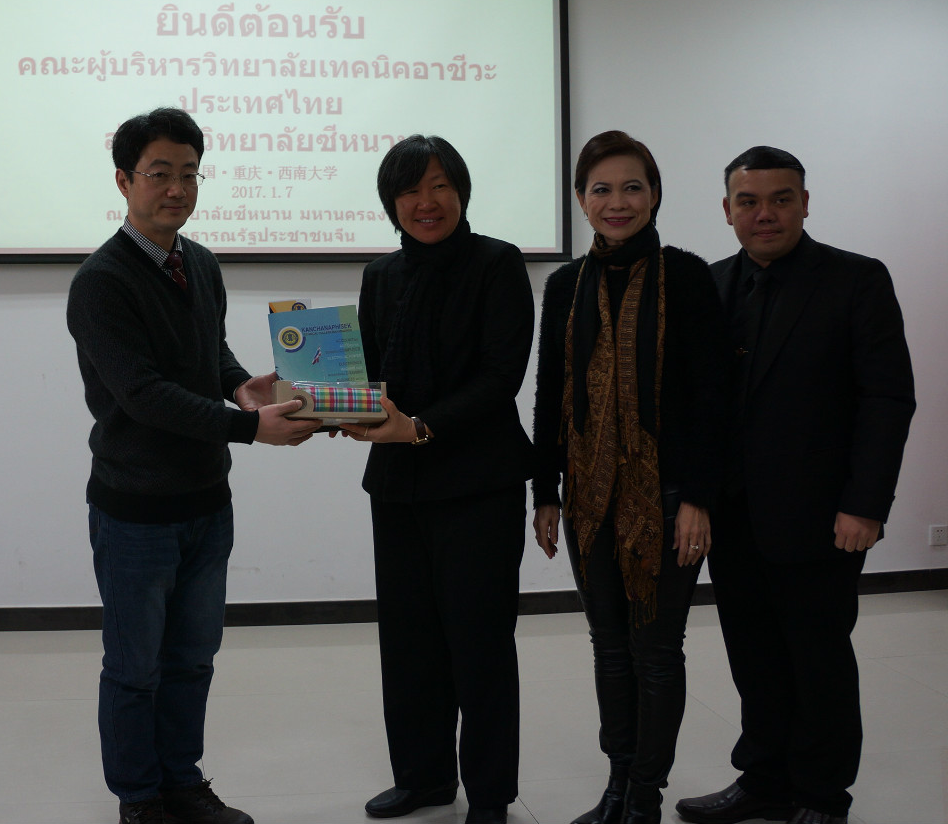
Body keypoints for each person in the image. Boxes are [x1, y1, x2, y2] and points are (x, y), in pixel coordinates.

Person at [67, 107, 318, 824]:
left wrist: (242, 386)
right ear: (124, 181)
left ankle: (182, 780)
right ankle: (140, 797)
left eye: (188, 174)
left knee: (192, 660)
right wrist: (249, 427)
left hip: (208, 502)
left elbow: (211, 350)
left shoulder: (200, 262)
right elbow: (143, 394)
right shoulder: (101, 281)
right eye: (159, 174)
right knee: (134, 667)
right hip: (135, 510)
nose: (176, 188)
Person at [676, 147, 914, 824]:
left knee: (817, 658)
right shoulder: (710, 284)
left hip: (822, 516)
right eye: (748, 201)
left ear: (805, 204)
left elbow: (887, 400)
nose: (765, 214)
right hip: (734, 516)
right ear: (727, 211)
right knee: (753, 656)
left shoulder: (857, 280)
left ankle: (820, 793)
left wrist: (865, 504)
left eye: (781, 199)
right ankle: (764, 780)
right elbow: (697, 404)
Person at [531, 130, 730, 824]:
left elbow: (713, 397)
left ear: (654, 195)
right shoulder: (564, 286)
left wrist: (698, 497)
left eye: (632, 187)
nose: (617, 202)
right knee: (609, 648)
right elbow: (550, 394)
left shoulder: (688, 276)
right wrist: (545, 492)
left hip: (669, 498)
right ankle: (616, 784)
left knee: (657, 651)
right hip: (588, 498)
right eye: (601, 189)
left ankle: (645, 795)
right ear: (581, 199)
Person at [338, 135, 536, 824]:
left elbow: (500, 376)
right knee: (409, 640)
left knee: (480, 643)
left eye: (440, 185)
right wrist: (324, 399)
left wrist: (420, 426)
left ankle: (490, 793)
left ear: (462, 192)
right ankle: (423, 777)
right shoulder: (381, 275)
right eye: (410, 189)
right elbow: (369, 374)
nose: (426, 202)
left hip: (479, 482)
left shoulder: (498, 263)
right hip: (398, 484)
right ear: (391, 202)